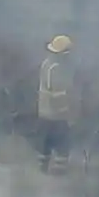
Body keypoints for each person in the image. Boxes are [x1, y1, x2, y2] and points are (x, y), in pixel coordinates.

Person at [37, 36, 76, 174]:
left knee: (46, 143)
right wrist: (68, 115)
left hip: (44, 112)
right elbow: (58, 95)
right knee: (63, 143)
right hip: (56, 115)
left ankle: (42, 169)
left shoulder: (46, 64)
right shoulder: (57, 68)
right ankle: (60, 172)